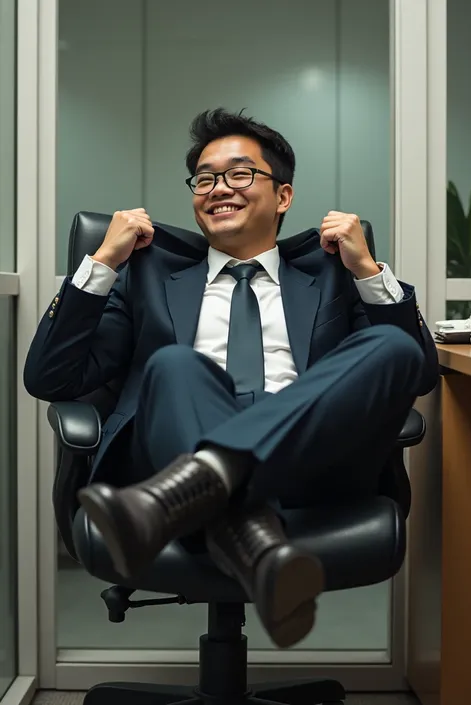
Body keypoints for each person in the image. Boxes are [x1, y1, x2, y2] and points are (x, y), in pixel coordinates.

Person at [24, 108, 439, 649]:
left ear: (283, 196)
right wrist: (102, 261)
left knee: (390, 346)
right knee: (173, 365)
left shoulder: (335, 274)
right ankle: (237, 513)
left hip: (307, 462)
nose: (220, 188)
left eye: (241, 173)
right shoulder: (146, 275)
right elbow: (49, 377)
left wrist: (367, 272)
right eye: (205, 177)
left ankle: (198, 493)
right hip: (170, 453)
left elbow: (420, 370)